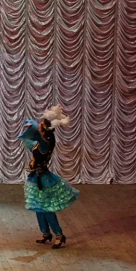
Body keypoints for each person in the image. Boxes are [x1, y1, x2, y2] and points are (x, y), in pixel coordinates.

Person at [17, 105, 78, 249]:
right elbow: (30, 142)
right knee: (38, 207)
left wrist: (30, 129)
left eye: (41, 127)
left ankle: (59, 234)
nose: (38, 127)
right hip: (36, 177)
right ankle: (45, 233)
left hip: (44, 179)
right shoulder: (42, 142)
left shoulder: (45, 143)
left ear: (44, 133)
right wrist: (28, 129)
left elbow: (33, 137)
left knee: (46, 209)